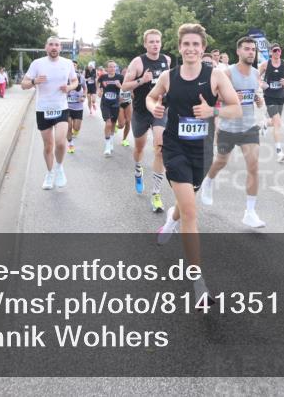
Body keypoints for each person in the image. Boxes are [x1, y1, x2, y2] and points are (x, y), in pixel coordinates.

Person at [151, 24, 241, 306]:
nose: (191, 49)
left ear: (203, 48)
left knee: (185, 203)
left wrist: (212, 111)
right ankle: (198, 283)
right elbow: (152, 95)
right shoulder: (168, 76)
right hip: (175, 149)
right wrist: (153, 104)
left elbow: (236, 107)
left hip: (201, 151)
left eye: (196, 45)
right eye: (186, 44)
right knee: (191, 211)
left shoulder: (215, 75)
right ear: (179, 48)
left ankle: (170, 220)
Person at [200, 36, 266, 228]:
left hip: (249, 127)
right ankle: (208, 182)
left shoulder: (256, 73)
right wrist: (227, 97)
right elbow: (216, 96)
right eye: (246, 49)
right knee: (221, 161)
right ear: (238, 51)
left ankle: (250, 212)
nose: (251, 52)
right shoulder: (227, 73)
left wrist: (257, 100)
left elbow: (253, 94)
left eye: (253, 49)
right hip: (229, 127)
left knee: (253, 167)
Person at [121, 29, 172, 213]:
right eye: (151, 42)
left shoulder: (167, 60)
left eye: (157, 41)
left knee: (160, 147)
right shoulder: (138, 62)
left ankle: (156, 194)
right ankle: (138, 169)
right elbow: (125, 86)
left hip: (159, 110)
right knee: (140, 147)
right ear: (145, 44)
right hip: (141, 111)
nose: (155, 44)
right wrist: (142, 80)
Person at [21, 37, 80, 190]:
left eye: (57, 45)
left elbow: (75, 81)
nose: (54, 47)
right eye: (51, 45)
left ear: (60, 48)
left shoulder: (67, 63)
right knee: (48, 146)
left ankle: (59, 168)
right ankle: (49, 173)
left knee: (60, 142)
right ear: (46, 47)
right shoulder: (37, 64)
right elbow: (23, 84)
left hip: (61, 107)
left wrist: (69, 87)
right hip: (43, 109)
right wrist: (34, 82)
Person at [257, 43, 284, 162]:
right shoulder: (265, 64)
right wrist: (261, 84)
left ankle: (264, 123)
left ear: (281, 52)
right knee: (278, 123)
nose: (276, 52)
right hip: (269, 96)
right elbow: (257, 77)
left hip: (280, 96)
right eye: (274, 51)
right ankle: (279, 152)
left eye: (278, 50)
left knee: (274, 122)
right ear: (270, 52)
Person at [98, 60, 124, 157]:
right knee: (108, 123)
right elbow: (100, 88)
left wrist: (119, 86)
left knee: (113, 124)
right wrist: (99, 92)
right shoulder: (103, 77)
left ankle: (111, 141)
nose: (112, 68)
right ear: (107, 68)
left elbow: (125, 89)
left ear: (116, 68)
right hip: (105, 103)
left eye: (114, 67)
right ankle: (107, 146)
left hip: (115, 104)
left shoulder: (120, 77)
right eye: (110, 67)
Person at [66, 70, 86, 154]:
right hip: (67, 109)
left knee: (76, 128)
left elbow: (85, 89)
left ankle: (75, 132)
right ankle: (70, 145)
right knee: (69, 127)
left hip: (78, 109)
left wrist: (83, 97)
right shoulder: (66, 83)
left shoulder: (81, 83)